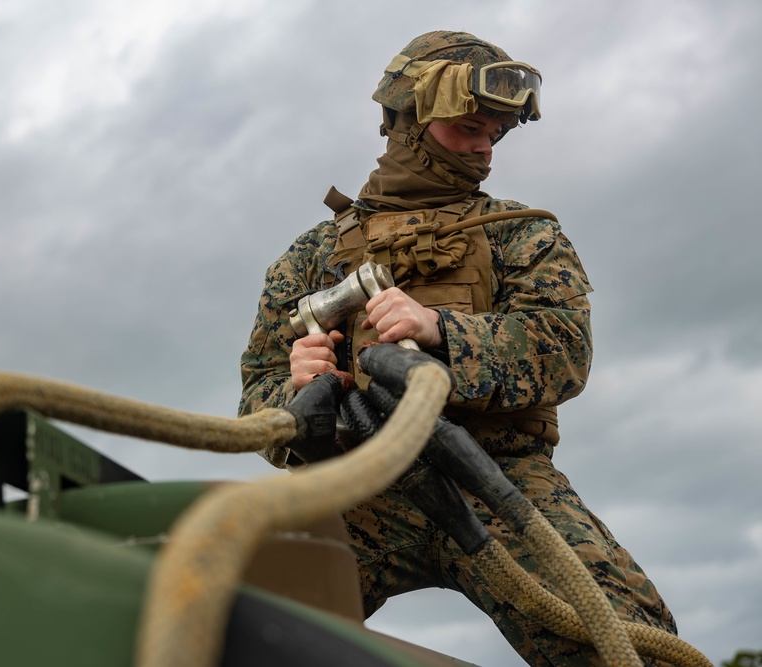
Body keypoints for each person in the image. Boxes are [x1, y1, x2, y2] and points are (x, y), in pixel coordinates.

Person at [239, 30, 677, 665]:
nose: (484, 150)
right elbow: (255, 395)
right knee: (210, 618)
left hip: (498, 480)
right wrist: (294, 389)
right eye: (469, 127)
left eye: (494, 134)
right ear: (408, 122)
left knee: (634, 650)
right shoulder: (311, 256)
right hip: (355, 494)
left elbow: (564, 347)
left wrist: (440, 330)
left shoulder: (521, 233)